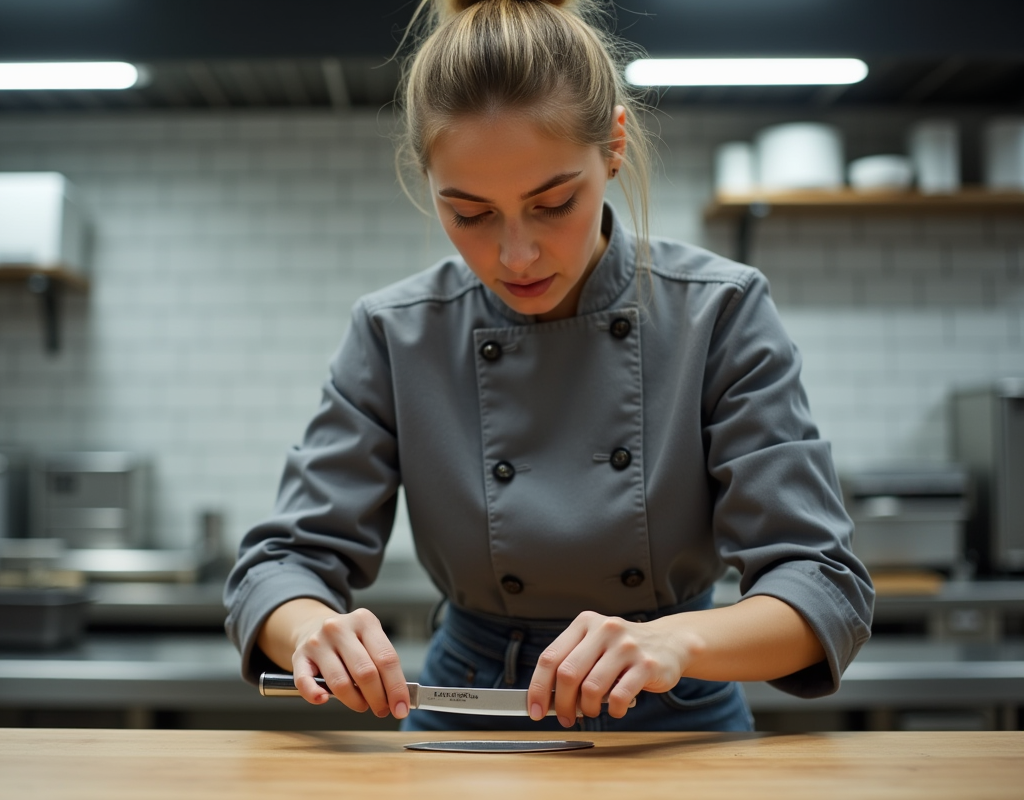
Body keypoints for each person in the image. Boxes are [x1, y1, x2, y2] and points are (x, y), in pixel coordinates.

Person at [224, 0, 873, 732]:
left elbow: (822, 582)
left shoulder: (719, 313)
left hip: (674, 722)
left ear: (616, 146)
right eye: (469, 214)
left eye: (554, 202)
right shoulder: (393, 332)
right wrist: (309, 625)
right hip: (464, 714)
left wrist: (672, 641)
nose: (516, 255)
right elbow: (279, 565)